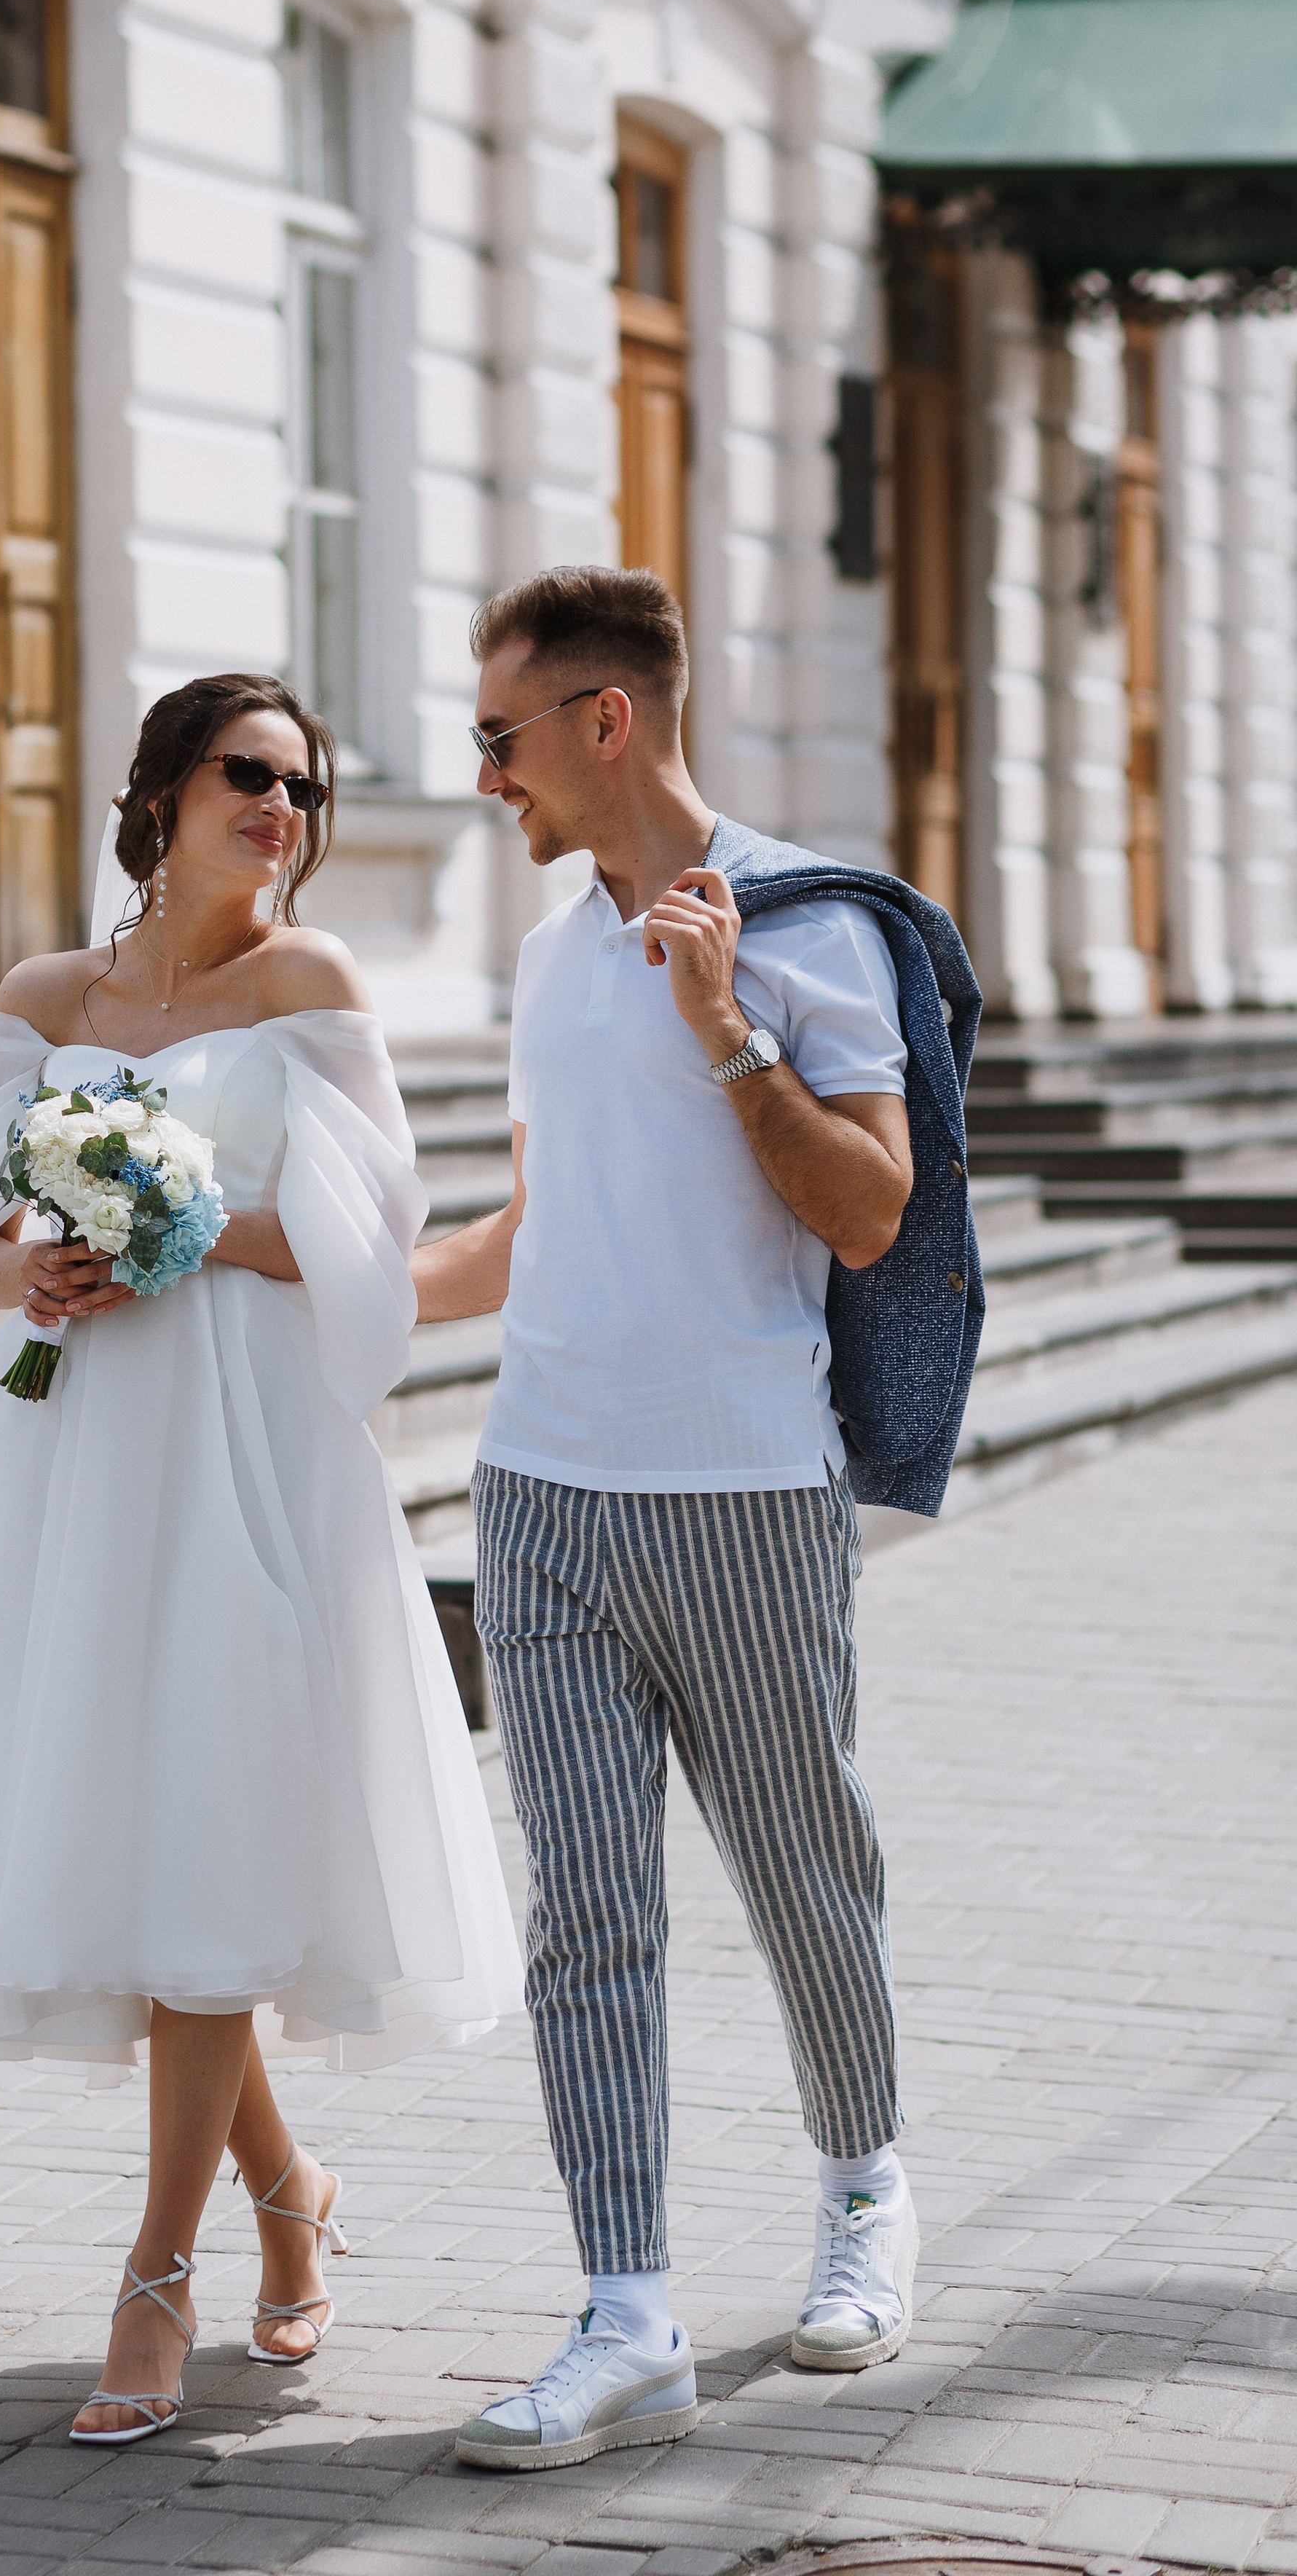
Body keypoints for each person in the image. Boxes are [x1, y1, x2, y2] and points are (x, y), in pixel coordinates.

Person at [0, 672, 523, 2448]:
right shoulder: (44, 1000)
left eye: (303, 787)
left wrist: (173, 1226)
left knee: (219, 1809)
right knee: (145, 1830)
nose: (283, 810)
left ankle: (155, 2274)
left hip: (249, 1454)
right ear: (157, 795)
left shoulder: (307, 989)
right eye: (251, 776)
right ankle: (289, 2196)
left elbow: (367, 1251)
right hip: (78, 1456)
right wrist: (36, 1268)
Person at [413, 566, 982, 2475]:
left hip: (742, 1492)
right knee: (588, 1920)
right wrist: (279, 1280)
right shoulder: (544, 957)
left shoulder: (815, 929)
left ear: (606, 723)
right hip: (541, 1490)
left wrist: (730, 1024)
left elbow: (870, 1213)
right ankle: (625, 2310)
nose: (480, 772)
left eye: (499, 737)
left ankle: (862, 2191)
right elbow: (539, 1222)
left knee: (802, 1869)